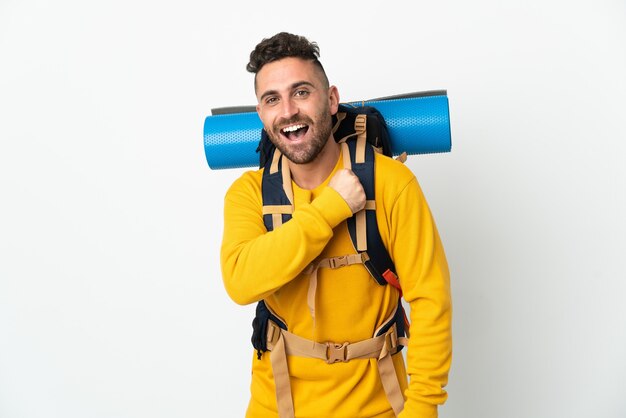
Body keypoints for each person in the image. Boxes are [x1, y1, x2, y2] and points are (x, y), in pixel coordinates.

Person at [220, 32, 452, 418]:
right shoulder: (247, 194)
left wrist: (422, 408)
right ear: (260, 114)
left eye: (301, 92)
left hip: (379, 406)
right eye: (272, 99)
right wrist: (330, 208)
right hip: (275, 405)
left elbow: (432, 303)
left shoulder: (391, 183)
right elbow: (241, 283)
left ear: (330, 100)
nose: (288, 111)